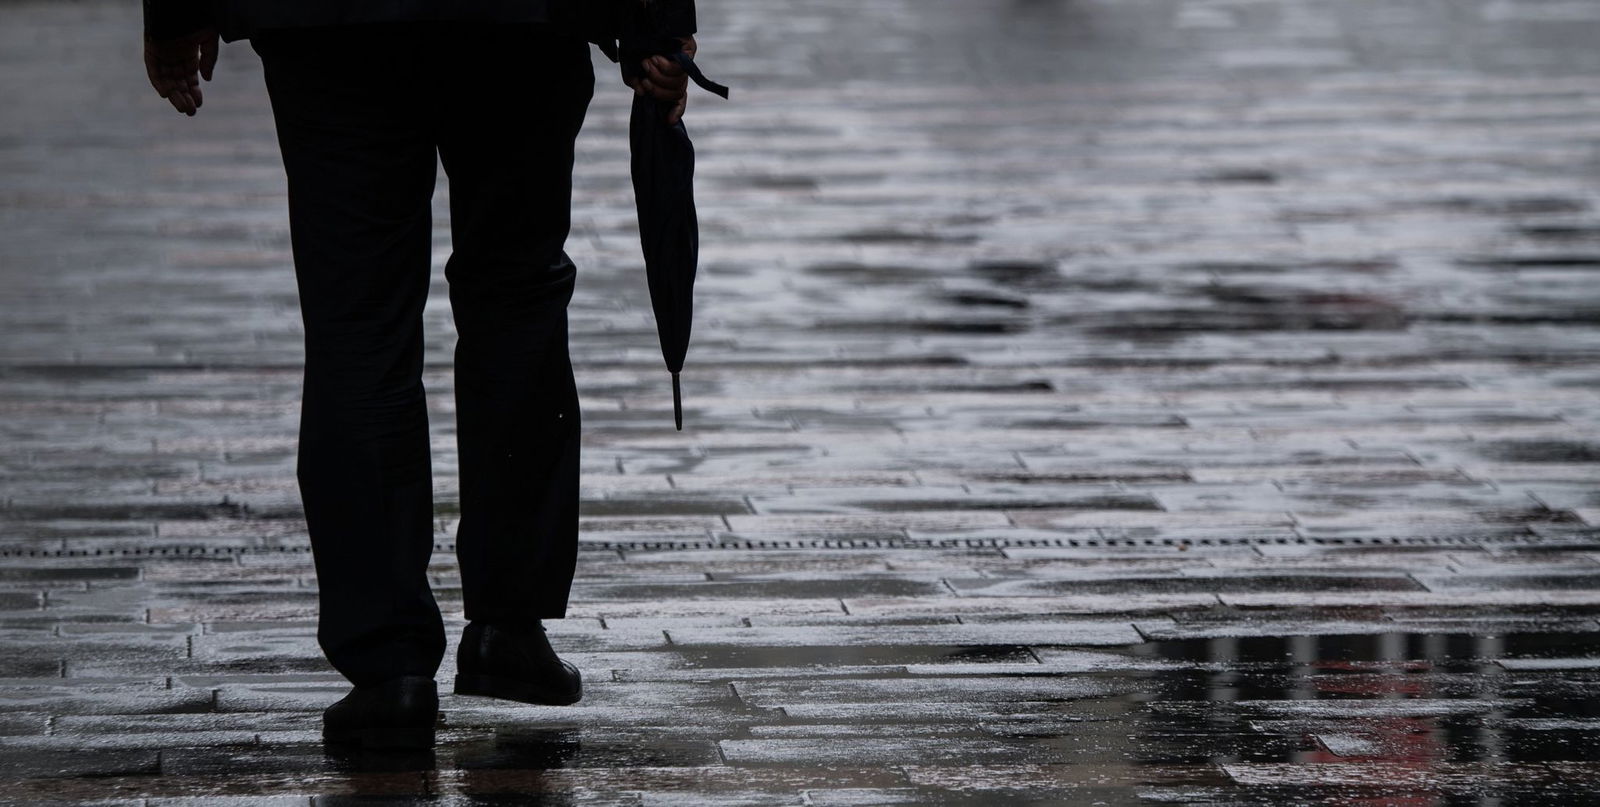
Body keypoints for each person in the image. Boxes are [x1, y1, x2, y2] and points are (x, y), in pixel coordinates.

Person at [142, 0, 700, 750]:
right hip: (522, 23)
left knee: (358, 325)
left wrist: (176, 11)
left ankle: (388, 662)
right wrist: (656, 18)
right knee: (518, 297)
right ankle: (509, 623)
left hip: (332, 28)